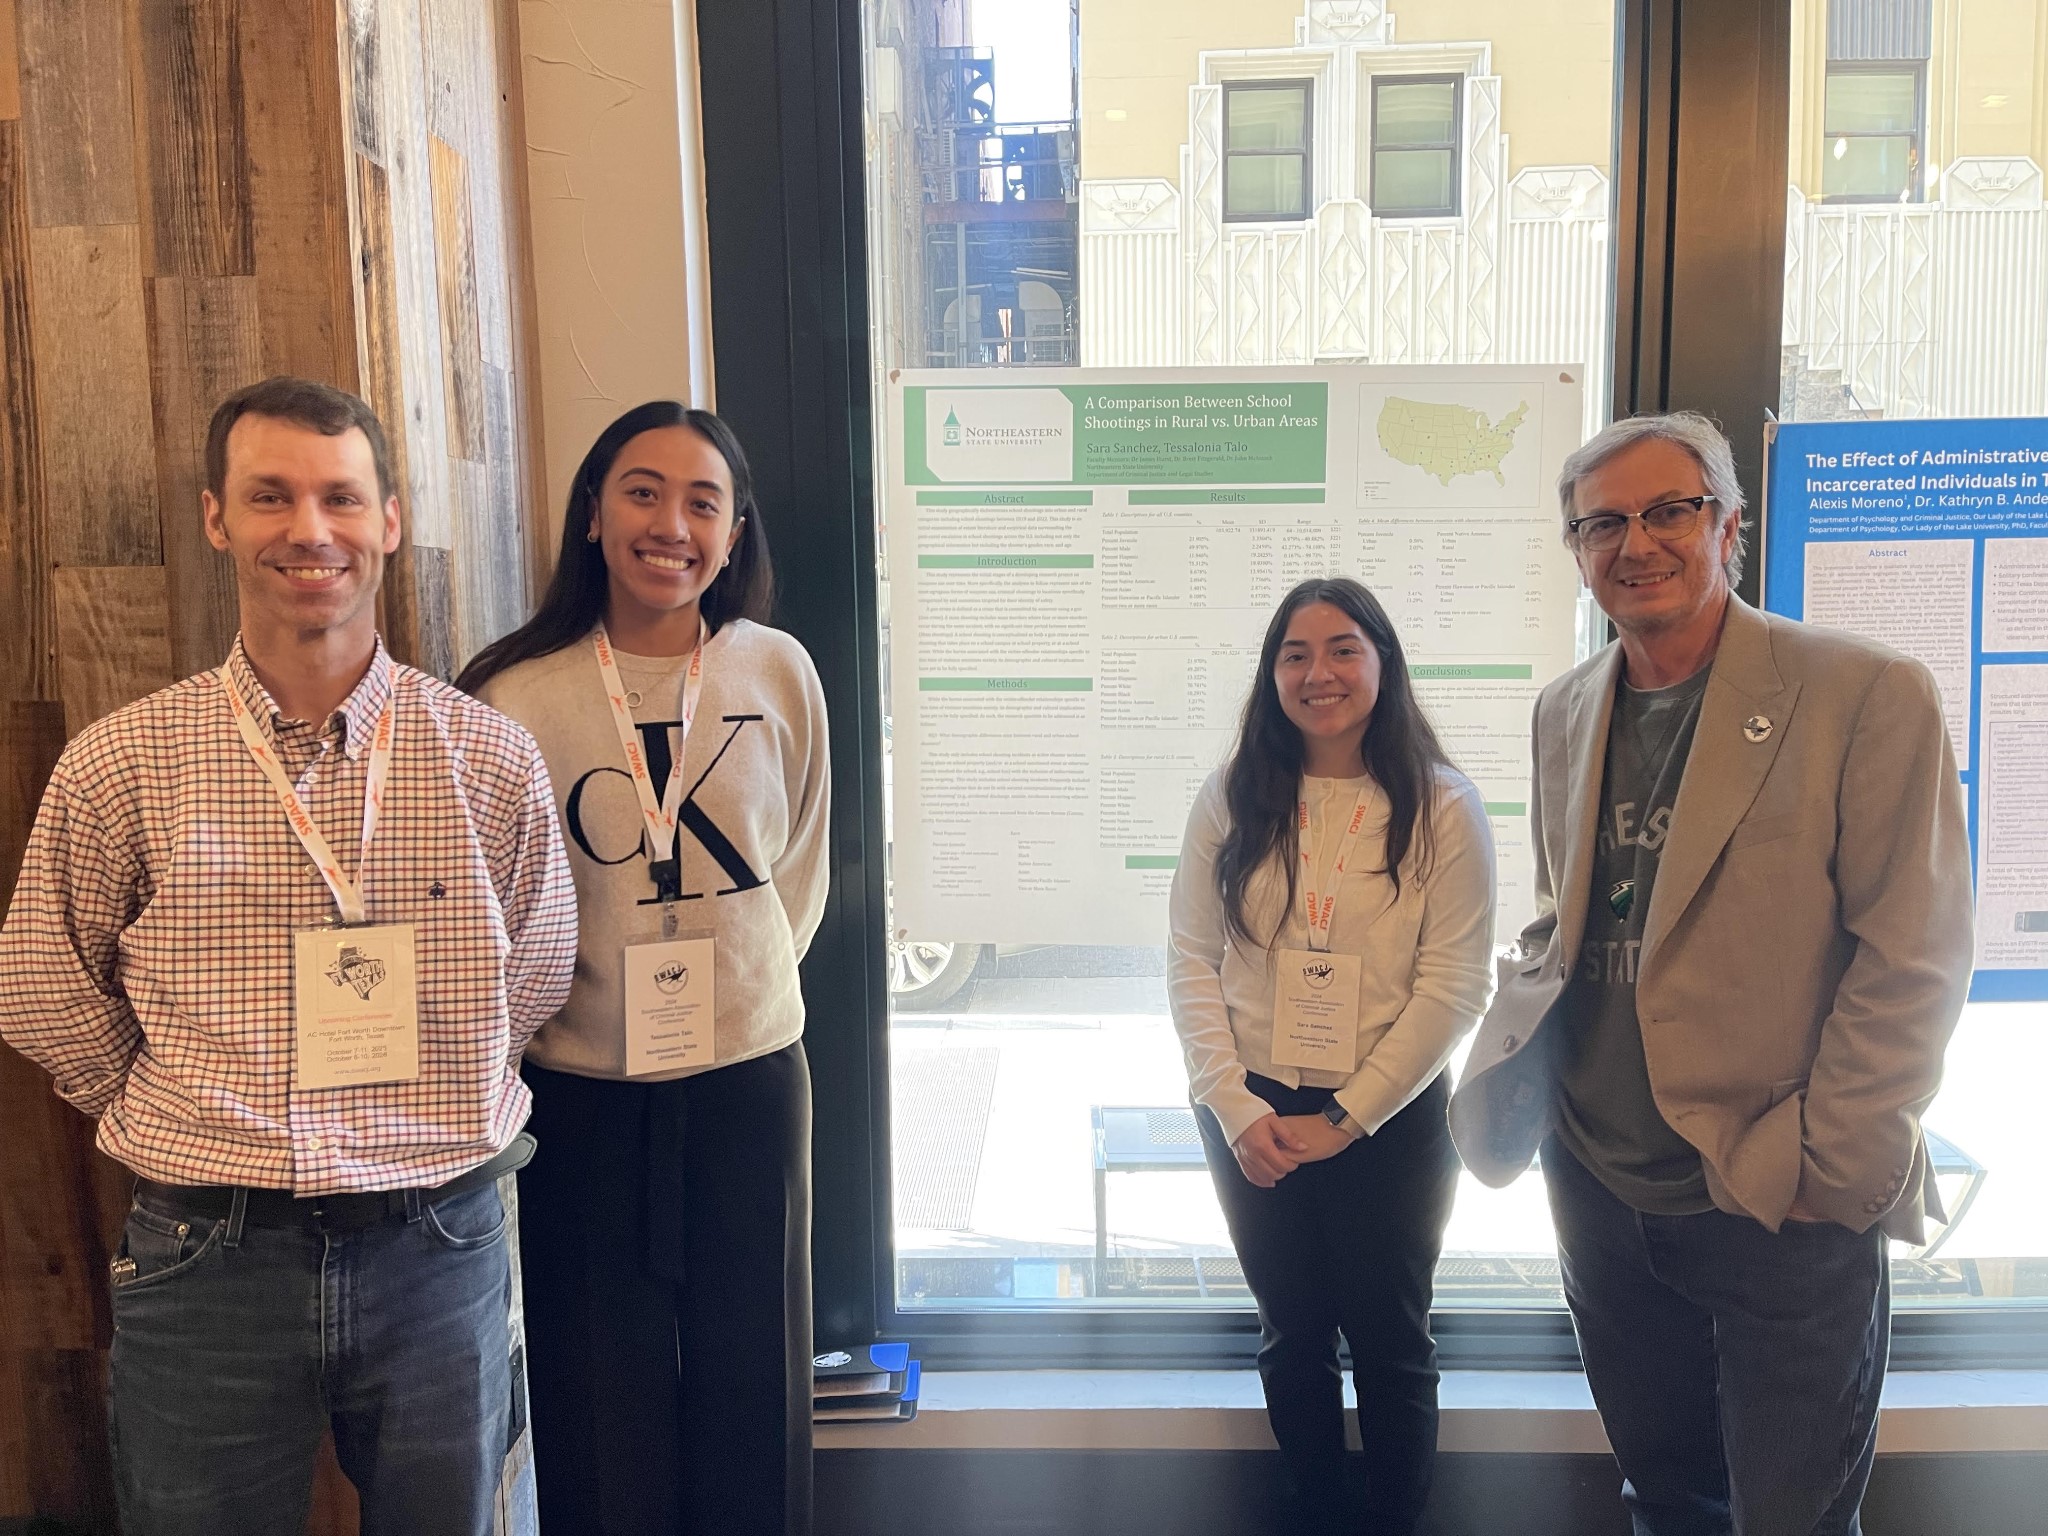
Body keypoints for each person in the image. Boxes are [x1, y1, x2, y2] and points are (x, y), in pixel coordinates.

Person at [0, 376, 578, 1535]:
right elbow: (42, 981)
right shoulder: (127, 765)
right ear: (217, 518)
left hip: (439, 1242)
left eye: (340, 499)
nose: (309, 531)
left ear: (390, 521)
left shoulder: (488, 760)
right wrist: (173, 1106)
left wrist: (435, 1091)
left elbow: (535, 971)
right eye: (272, 497)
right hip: (208, 1252)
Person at [1449, 412, 1974, 1536]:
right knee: (1665, 1497)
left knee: (1791, 1516)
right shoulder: (1566, 709)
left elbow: (1911, 957)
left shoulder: (1861, 694)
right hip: (1599, 1186)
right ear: (1577, 551)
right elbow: (1568, 916)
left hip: (1773, 1195)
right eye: (1600, 524)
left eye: (1666, 511)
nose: (1633, 543)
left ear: (1727, 527)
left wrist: (1828, 1167)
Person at [457, 401, 829, 1536]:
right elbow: (493, 912)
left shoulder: (778, 671)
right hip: (580, 1091)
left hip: (748, 1084)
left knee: (754, 1387)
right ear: (591, 515)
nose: (670, 522)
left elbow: (798, 864)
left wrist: (735, 991)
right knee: (593, 1396)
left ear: (733, 532)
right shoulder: (514, 696)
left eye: (701, 501)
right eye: (641, 490)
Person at [1167, 577, 1496, 1533]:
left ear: (1384, 663)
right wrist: (1235, 1108)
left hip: (1388, 1118)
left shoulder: (1441, 807)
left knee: (1392, 1343)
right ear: (1272, 675)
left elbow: (1454, 987)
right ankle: (1314, 1512)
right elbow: (1190, 959)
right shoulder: (1233, 795)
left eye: (1344, 649)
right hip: (1252, 1113)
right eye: (1296, 655)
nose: (1320, 674)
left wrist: (1349, 1118)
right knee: (1292, 1338)